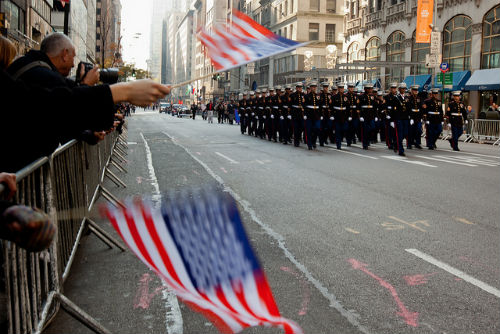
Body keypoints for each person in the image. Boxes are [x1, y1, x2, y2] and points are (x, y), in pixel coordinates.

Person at [1, 67, 171, 172]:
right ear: (64, 54)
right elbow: (37, 108)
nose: (73, 64)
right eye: (72, 56)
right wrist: (122, 91)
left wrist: (88, 134)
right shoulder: (39, 75)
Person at [358, 83, 376, 150]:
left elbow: (374, 106)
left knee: (372, 128)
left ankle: (368, 140)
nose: (370, 90)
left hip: (371, 115)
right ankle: (365, 144)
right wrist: (360, 116)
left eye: (371, 88)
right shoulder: (361, 97)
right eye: (368, 88)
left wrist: (375, 116)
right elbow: (358, 107)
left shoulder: (373, 96)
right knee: (365, 131)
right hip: (364, 115)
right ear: (365, 89)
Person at [304, 81, 321, 150]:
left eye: (315, 87)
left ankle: (314, 141)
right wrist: (305, 114)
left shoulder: (318, 96)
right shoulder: (307, 96)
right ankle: (309, 144)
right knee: (309, 130)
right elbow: (304, 106)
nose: (314, 88)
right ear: (310, 88)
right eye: (312, 87)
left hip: (316, 115)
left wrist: (321, 115)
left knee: (317, 129)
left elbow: (320, 106)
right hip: (309, 115)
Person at [332, 83, 349, 149]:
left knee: (345, 129)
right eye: (340, 88)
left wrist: (348, 116)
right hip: (337, 116)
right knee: (338, 130)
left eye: (342, 88)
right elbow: (331, 107)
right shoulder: (334, 97)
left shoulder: (346, 97)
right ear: (338, 89)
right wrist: (332, 115)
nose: (341, 89)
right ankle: (338, 144)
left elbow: (348, 107)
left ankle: (341, 139)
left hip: (344, 116)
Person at [407, 85, 424, 149]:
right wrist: (410, 117)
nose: (415, 91)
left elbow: (421, 108)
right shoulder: (409, 98)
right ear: (411, 91)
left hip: (418, 117)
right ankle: (409, 144)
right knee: (411, 131)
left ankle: (417, 143)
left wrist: (422, 117)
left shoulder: (419, 98)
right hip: (412, 117)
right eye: (414, 90)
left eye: (416, 90)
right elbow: (408, 108)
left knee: (419, 130)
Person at [290, 82, 305, 147]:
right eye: (298, 87)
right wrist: (290, 114)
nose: (299, 89)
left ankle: (298, 138)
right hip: (295, 113)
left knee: (301, 127)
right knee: (296, 128)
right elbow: (290, 105)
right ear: (296, 88)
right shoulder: (292, 95)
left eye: (300, 87)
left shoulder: (304, 95)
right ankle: (296, 141)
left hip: (301, 114)